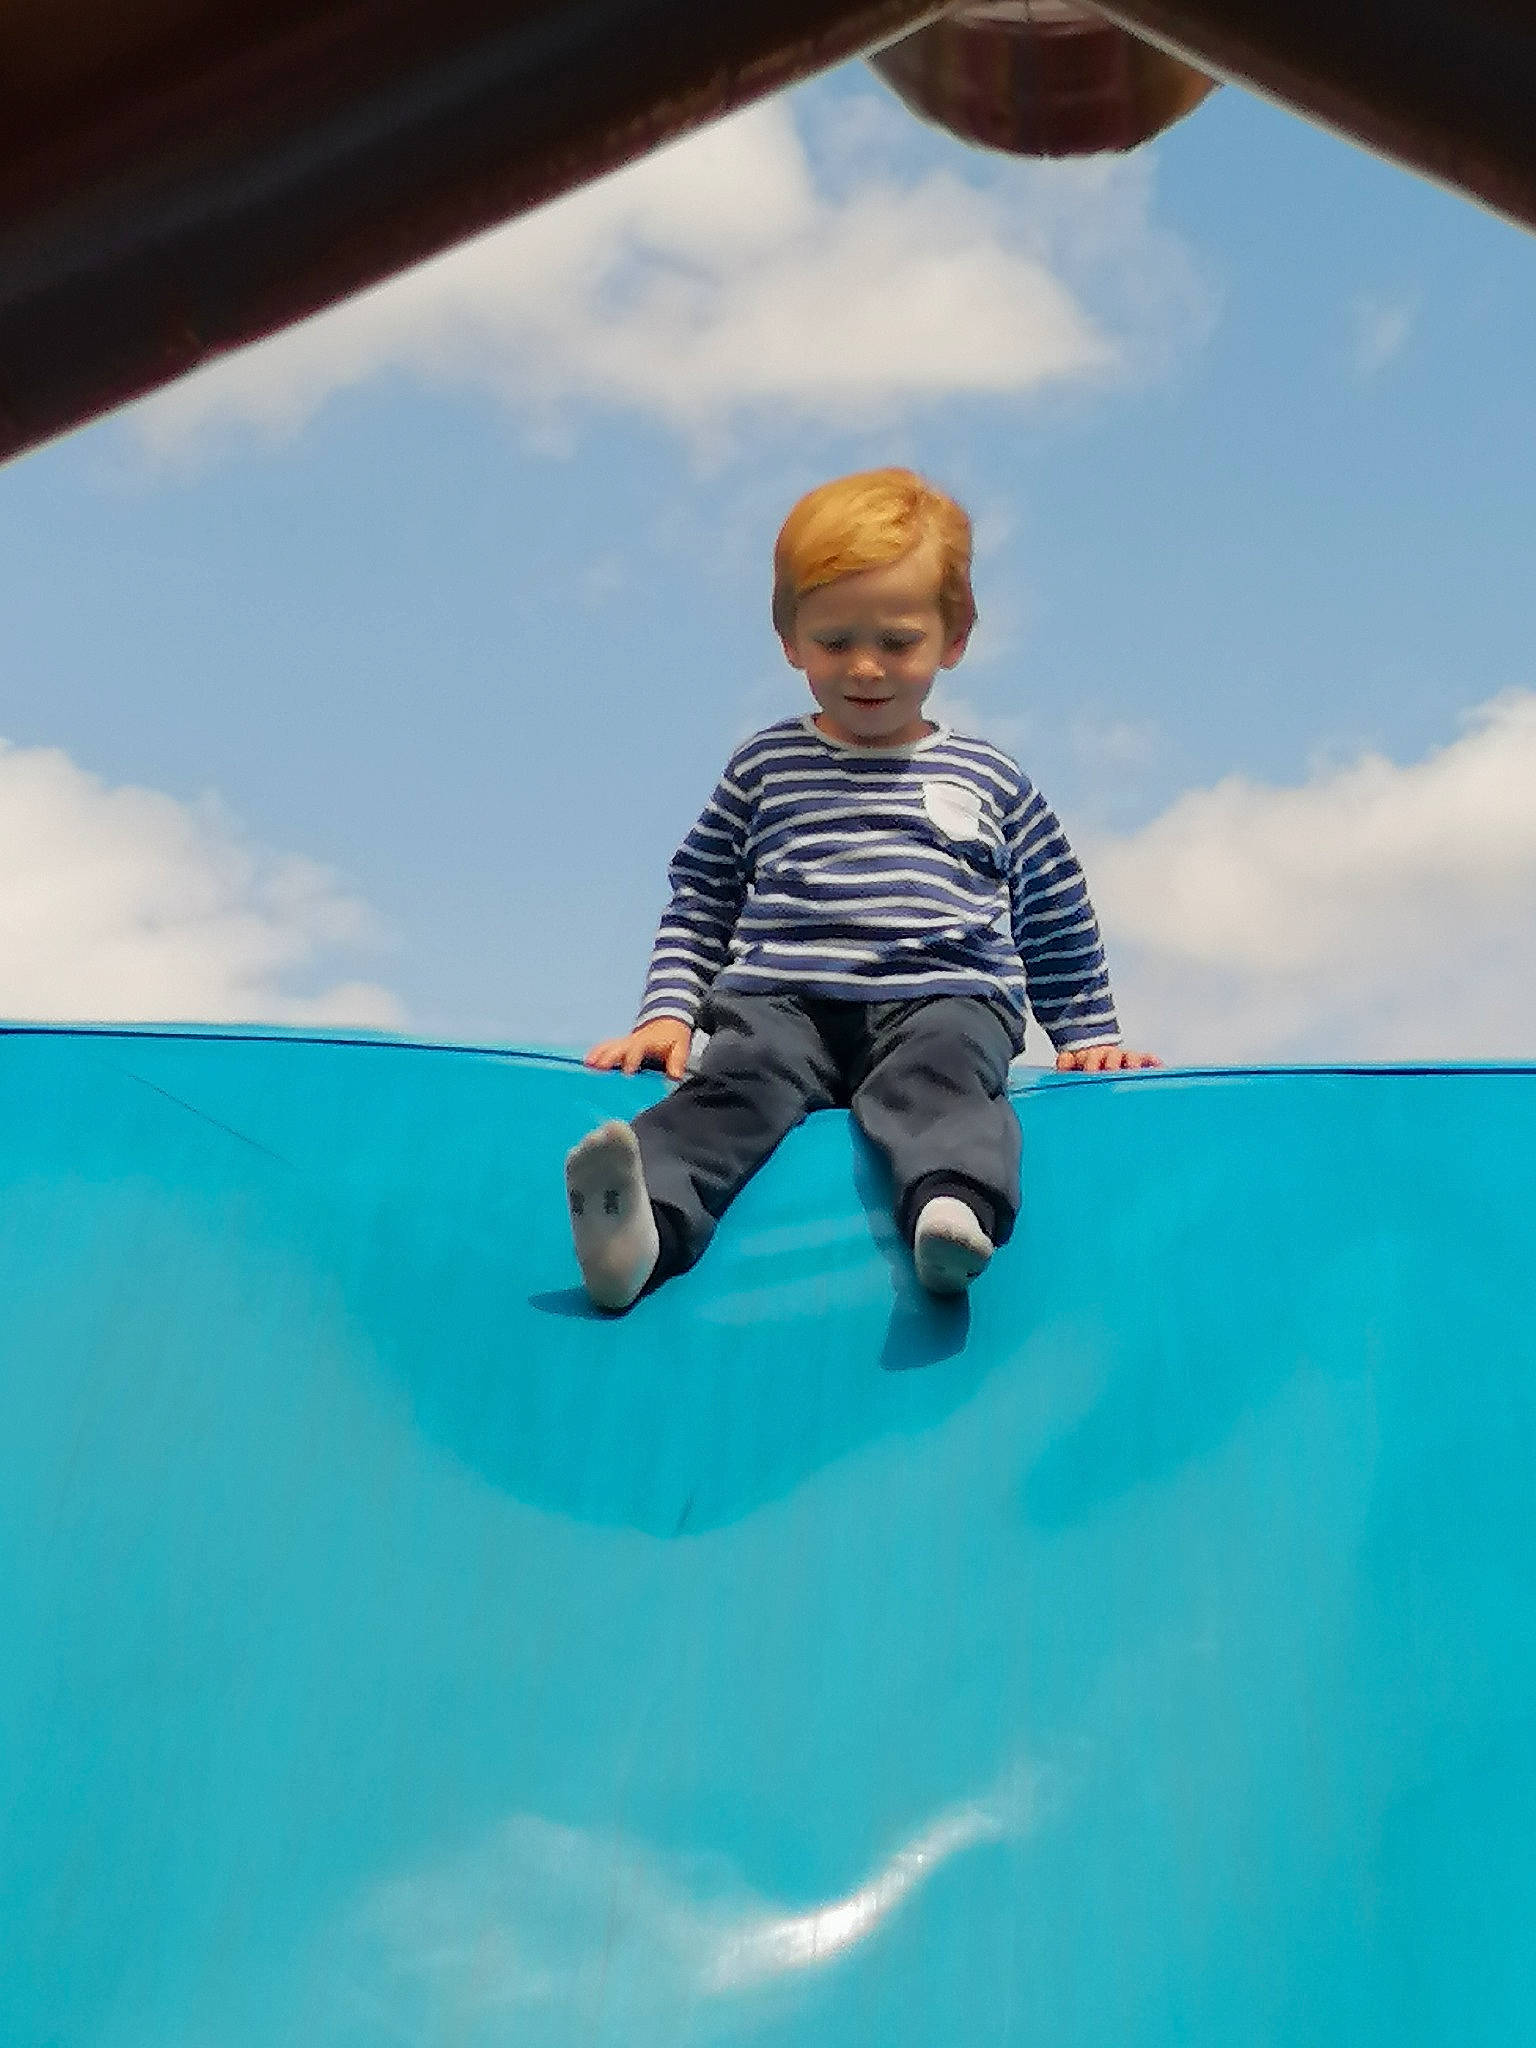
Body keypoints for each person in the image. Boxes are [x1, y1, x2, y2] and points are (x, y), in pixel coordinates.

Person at [565, 467, 1159, 1311]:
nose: (867, 666)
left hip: (942, 996)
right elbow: (702, 895)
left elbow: (1054, 909)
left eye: (899, 640)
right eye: (836, 642)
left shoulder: (988, 775)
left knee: (941, 1078)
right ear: (791, 642)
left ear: (953, 640)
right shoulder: (766, 765)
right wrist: (667, 1010)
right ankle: (641, 1231)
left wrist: (1089, 1032)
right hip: (783, 1002)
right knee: (732, 1086)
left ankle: (951, 1209)